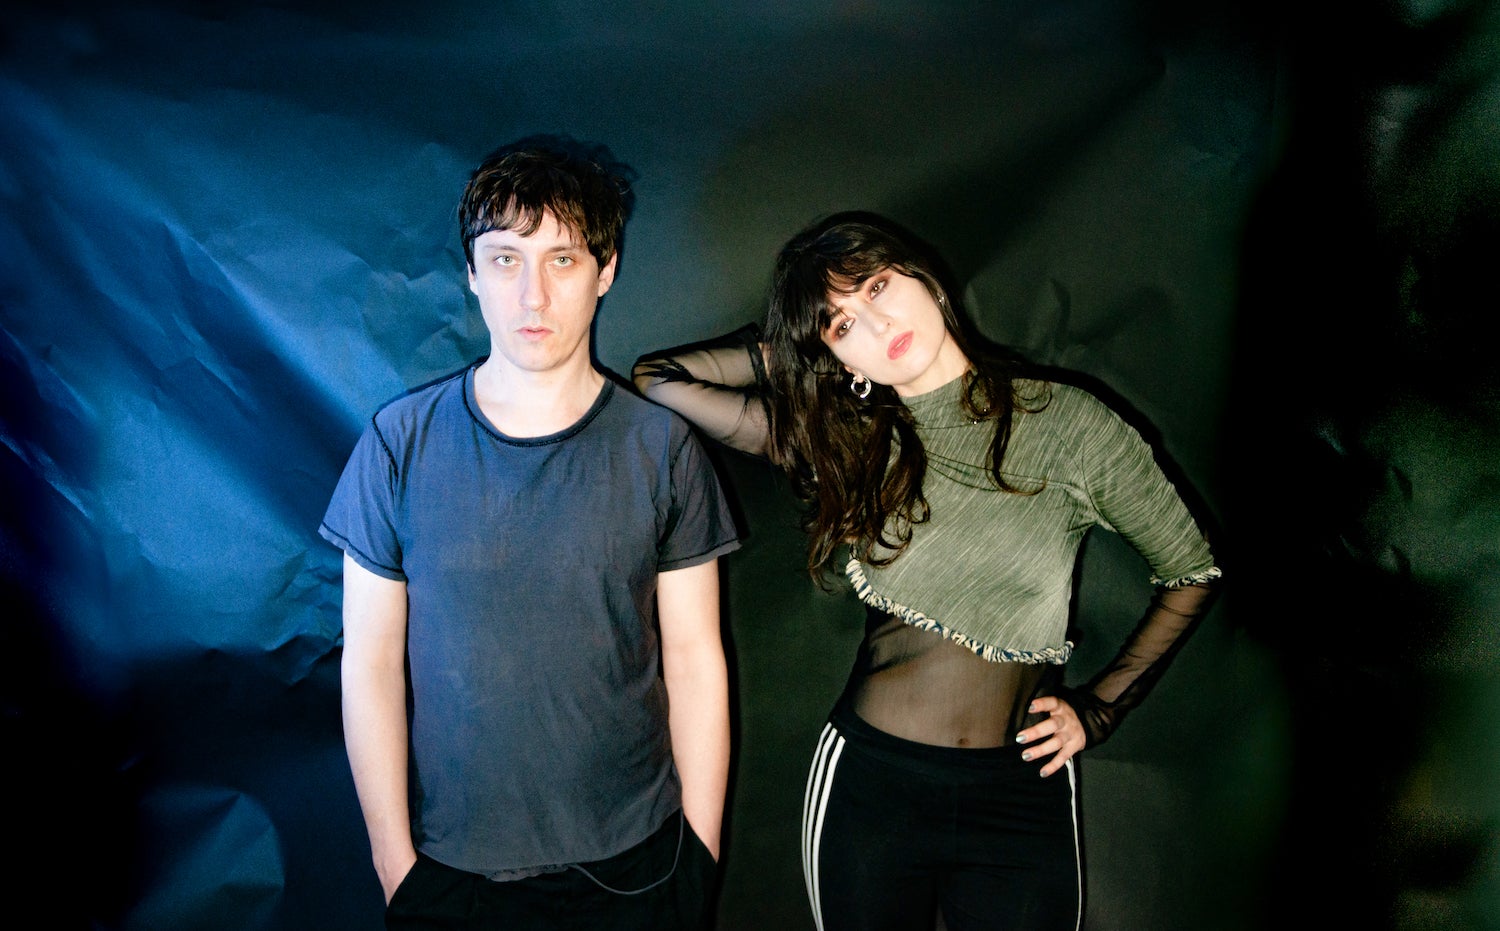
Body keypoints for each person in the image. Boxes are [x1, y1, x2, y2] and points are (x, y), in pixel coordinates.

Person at [633, 211, 1221, 931]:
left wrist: (1098, 710)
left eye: (877, 287)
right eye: (842, 323)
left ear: (921, 277)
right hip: (870, 789)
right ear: (840, 359)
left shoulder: (1070, 424)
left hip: (1022, 793)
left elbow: (1190, 570)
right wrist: (797, 354)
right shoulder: (849, 441)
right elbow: (658, 379)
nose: (877, 323)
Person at [320, 136, 740, 930]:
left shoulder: (662, 448)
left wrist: (702, 852)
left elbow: (694, 658)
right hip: (453, 874)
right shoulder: (399, 444)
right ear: (472, 275)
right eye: (507, 259)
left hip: (638, 868)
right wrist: (394, 864)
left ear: (606, 270)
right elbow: (369, 664)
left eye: (563, 260)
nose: (533, 296)